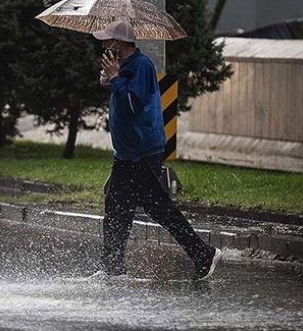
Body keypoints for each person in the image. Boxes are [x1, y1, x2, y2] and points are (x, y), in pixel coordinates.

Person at [92, 20, 221, 281]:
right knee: (116, 208)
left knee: (158, 208)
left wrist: (116, 79)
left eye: (107, 40)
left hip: (142, 151)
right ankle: (112, 268)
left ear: (118, 42)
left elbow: (132, 105)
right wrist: (109, 79)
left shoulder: (141, 66)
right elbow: (121, 95)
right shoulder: (124, 66)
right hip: (127, 154)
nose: (103, 44)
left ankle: (203, 254)